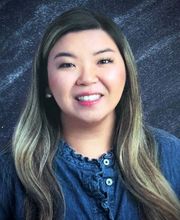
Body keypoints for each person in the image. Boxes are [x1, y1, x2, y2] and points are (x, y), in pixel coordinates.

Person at [0, 7, 180, 220]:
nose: (87, 78)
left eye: (103, 61)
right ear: (46, 83)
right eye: (67, 64)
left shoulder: (172, 154)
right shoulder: (10, 172)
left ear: (127, 73)